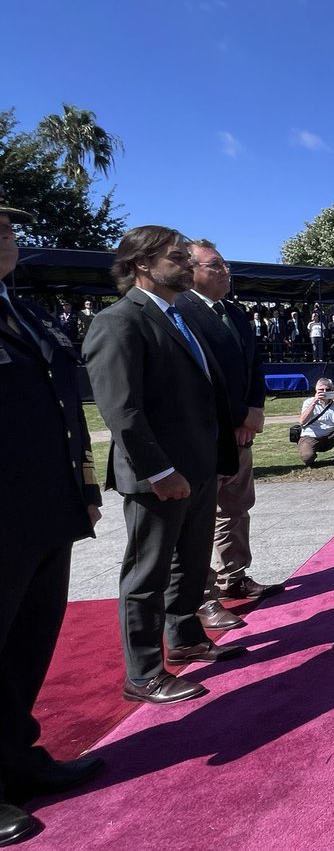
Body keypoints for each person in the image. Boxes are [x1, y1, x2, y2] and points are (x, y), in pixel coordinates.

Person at [84, 225, 243, 707]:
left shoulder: (178, 317)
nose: (187, 266)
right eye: (177, 258)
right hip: (158, 476)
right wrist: (158, 471)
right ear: (142, 265)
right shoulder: (118, 321)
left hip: (195, 469)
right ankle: (145, 673)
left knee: (190, 564)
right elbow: (122, 409)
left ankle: (186, 636)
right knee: (147, 572)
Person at [0, 198, 105, 846]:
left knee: (24, 650)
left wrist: (84, 488)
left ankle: (16, 761)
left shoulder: (26, 313)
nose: (6, 234)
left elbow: (66, 411)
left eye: (8, 223)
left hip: (44, 512)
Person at [176, 239, 283, 633]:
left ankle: (234, 576)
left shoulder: (235, 314)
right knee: (200, 518)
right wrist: (237, 416)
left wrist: (255, 410)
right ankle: (203, 595)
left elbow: (254, 364)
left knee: (236, 506)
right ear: (190, 270)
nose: (225, 272)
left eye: (225, 265)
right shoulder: (180, 312)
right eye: (215, 265)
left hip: (242, 432)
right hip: (208, 433)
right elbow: (201, 378)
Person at [297, 378, 334, 466]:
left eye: (327, 390)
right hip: (311, 436)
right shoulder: (308, 402)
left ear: (332, 391)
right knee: (307, 457)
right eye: (321, 390)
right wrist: (314, 402)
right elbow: (302, 421)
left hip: (329, 437)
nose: (324, 392)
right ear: (316, 391)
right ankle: (312, 457)